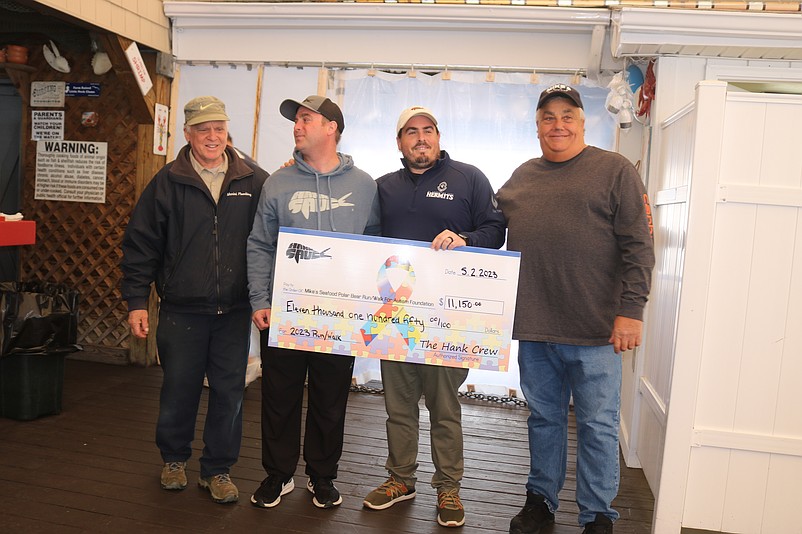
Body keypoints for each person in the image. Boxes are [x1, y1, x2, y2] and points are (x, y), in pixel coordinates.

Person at [497, 84, 655, 534]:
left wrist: (632, 310)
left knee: (598, 427)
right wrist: (459, 239)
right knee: (544, 419)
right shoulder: (522, 176)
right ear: (538, 126)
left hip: (597, 330)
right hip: (535, 327)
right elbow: (489, 223)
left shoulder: (615, 170)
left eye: (568, 115)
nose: (558, 124)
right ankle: (540, 500)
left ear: (583, 123)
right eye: (549, 117)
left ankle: (598, 515)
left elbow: (639, 247)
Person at [362, 106, 506, 528]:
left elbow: (495, 231)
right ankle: (400, 479)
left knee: (444, 407)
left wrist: (464, 239)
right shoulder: (382, 187)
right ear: (400, 141)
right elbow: (363, 239)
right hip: (396, 317)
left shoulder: (469, 178)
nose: (420, 138)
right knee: (398, 405)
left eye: (428, 130)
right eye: (411, 132)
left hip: (449, 318)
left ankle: (448, 488)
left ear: (439, 137)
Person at [121, 95, 269, 504]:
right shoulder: (168, 181)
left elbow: (275, 227)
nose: (212, 136)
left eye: (218, 128)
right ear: (187, 134)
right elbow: (140, 245)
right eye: (203, 129)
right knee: (179, 388)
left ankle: (217, 470)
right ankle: (173, 459)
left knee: (229, 392)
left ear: (227, 131)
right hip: (181, 309)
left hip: (234, 310)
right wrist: (136, 300)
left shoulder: (254, 179)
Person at [247, 95, 381, 510]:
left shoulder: (364, 185)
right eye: (296, 120)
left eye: (306, 119)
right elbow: (259, 244)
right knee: (279, 396)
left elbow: (374, 244)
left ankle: (322, 477)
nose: (297, 126)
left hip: (339, 317)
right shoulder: (278, 182)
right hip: (285, 312)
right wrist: (259, 298)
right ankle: (278, 474)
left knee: (330, 398)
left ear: (331, 128)